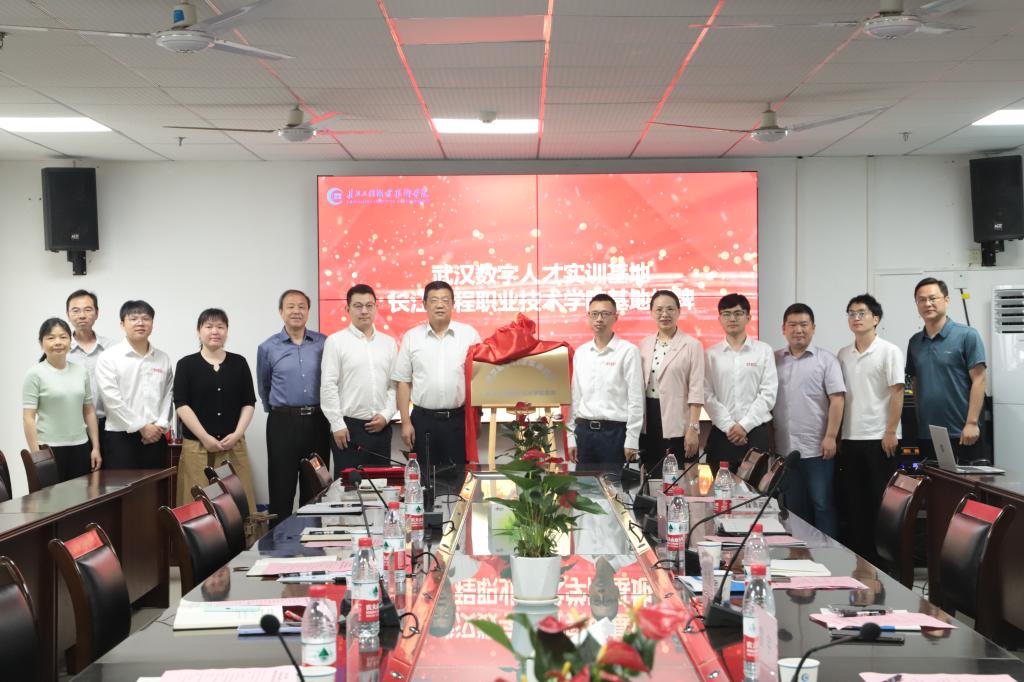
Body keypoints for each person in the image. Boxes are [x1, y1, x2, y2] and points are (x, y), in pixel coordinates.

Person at [836, 294, 904, 561]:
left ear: (876, 319)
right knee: (854, 504)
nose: (856, 318)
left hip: (880, 439)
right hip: (850, 438)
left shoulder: (889, 351)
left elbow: (897, 393)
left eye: (862, 313)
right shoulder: (843, 354)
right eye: (851, 313)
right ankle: (860, 561)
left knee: (881, 503)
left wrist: (891, 431)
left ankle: (884, 564)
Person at [393, 281, 481, 483]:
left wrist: (477, 418)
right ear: (425, 304)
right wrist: (405, 422)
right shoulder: (412, 337)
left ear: (453, 304)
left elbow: (478, 379)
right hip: (423, 422)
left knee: (458, 481)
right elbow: (403, 382)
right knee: (424, 482)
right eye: (434, 300)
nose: (440, 305)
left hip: (458, 420)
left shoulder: (469, 335)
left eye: (445, 300)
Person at [772, 303, 845, 538]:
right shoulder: (774, 360)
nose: (798, 330)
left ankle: (829, 554)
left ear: (813, 328)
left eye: (804, 324)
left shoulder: (827, 360)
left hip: (818, 449)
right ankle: (800, 554)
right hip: (785, 450)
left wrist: (831, 436)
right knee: (794, 508)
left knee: (822, 505)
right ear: (784, 329)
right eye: (792, 325)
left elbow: (837, 400)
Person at [173, 308, 257, 509]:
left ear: (227, 331)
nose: (215, 331)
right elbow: (181, 404)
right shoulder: (186, 364)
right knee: (198, 506)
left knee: (237, 504)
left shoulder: (239, 362)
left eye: (220, 326)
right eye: (209, 326)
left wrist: (237, 434)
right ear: (198, 331)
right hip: (197, 447)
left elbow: (249, 402)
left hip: (232, 445)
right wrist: (204, 437)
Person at [257, 289, 329, 522]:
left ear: (308, 311)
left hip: (318, 422)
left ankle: (313, 538)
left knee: (316, 485)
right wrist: (281, 411)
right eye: (291, 306)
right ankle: (279, 541)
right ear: (281, 311)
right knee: (281, 486)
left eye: (301, 306)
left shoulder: (323, 343)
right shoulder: (268, 347)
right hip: (282, 423)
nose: (296, 311)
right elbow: (264, 386)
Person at [906, 277, 988, 462]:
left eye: (933, 298)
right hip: (928, 434)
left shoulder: (967, 335)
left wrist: (972, 423)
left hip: (963, 432)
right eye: (921, 300)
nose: (927, 304)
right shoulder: (915, 342)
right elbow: (916, 383)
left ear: (946, 300)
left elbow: (979, 380)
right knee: (932, 481)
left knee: (966, 481)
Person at [321, 284, 397, 473]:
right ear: (347, 309)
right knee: (348, 486)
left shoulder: (388, 343)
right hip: (348, 429)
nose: (364, 311)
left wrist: (386, 415)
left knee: (381, 485)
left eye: (369, 305)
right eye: (358, 306)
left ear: (376, 308)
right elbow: (328, 385)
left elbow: (394, 386)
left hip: (381, 428)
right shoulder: (335, 342)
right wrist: (337, 424)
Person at [566, 294, 644, 473]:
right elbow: (575, 397)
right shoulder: (581, 352)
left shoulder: (628, 351)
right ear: (588, 316)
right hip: (584, 433)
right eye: (594, 314)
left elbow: (636, 399)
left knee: (615, 487)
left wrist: (632, 439)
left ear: (616, 317)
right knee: (584, 488)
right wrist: (571, 436)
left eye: (605, 314)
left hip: (615, 434)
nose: (599, 319)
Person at [703, 293, 777, 474]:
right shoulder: (710, 355)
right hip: (722, 434)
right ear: (719, 319)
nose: (732, 318)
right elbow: (707, 395)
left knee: (755, 489)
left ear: (748, 317)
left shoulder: (763, 351)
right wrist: (730, 427)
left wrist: (744, 425)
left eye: (738, 313)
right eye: (726, 314)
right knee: (721, 489)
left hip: (755, 433)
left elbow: (768, 393)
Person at [95, 300, 174, 469]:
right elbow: (111, 399)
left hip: (156, 436)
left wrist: (160, 425)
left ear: (152, 323)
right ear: (122, 324)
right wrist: (141, 426)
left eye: (146, 318)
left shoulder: (163, 358)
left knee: (156, 485)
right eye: (133, 318)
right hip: (120, 437)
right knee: (122, 486)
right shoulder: (109, 357)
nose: (140, 323)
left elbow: (168, 395)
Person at [23, 318, 101, 480]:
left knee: (82, 495)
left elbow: (89, 411)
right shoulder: (34, 374)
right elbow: (28, 417)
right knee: (51, 496)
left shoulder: (81, 371)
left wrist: (95, 447)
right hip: (49, 449)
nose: (57, 342)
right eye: (51, 338)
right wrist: (36, 455)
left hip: (81, 446)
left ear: (70, 342)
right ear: (41, 343)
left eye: (63, 337)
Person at [638, 290, 704, 477]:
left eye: (670, 309)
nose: (664, 314)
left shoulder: (692, 345)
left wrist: (693, 428)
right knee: (649, 477)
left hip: (678, 421)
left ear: (679, 311)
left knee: (677, 479)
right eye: (659, 310)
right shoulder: (644, 344)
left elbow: (696, 389)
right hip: (648, 419)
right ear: (652, 312)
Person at [66, 289, 116, 448]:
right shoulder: (61, 350)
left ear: (97, 313)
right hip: (72, 426)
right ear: (68, 315)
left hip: (109, 425)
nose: (82, 315)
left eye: (88, 309)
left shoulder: (112, 348)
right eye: (76, 310)